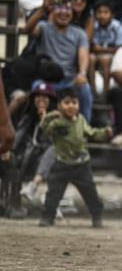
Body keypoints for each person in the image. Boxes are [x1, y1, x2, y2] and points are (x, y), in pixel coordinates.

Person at [37, 88, 111, 227]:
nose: (71, 106)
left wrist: (104, 133)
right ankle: (47, 217)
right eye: (67, 102)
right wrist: (47, 117)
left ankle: (97, 217)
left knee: (90, 193)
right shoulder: (57, 122)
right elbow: (45, 132)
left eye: (74, 102)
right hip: (61, 163)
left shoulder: (81, 119)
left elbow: (92, 132)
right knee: (53, 194)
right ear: (59, 105)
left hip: (81, 164)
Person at [25, 0, 93, 122]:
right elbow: (28, 29)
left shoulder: (80, 33)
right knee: (37, 87)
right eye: (59, 8)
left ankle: (84, 129)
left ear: (72, 12)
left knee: (85, 88)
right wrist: (42, 10)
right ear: (52, 12)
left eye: (67, 9)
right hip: (46, 79)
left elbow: (83, 54)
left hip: (69, 80)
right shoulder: (43, 27)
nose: (64, 12)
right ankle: (36, 129)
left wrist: (82, 73)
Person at [88, 0, 122, 98]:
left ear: (112, 15)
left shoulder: (118, 26)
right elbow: (92, 46)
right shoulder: (94, 26)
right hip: (98, 54)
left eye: (106, 12)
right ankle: (93, 91)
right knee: (90, 58)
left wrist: (101, 50)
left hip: (112, 55)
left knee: (105, 59)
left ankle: (106, 92)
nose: (102, 15)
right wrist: (100, 49)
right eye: (99, 12)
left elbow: (119, 48)